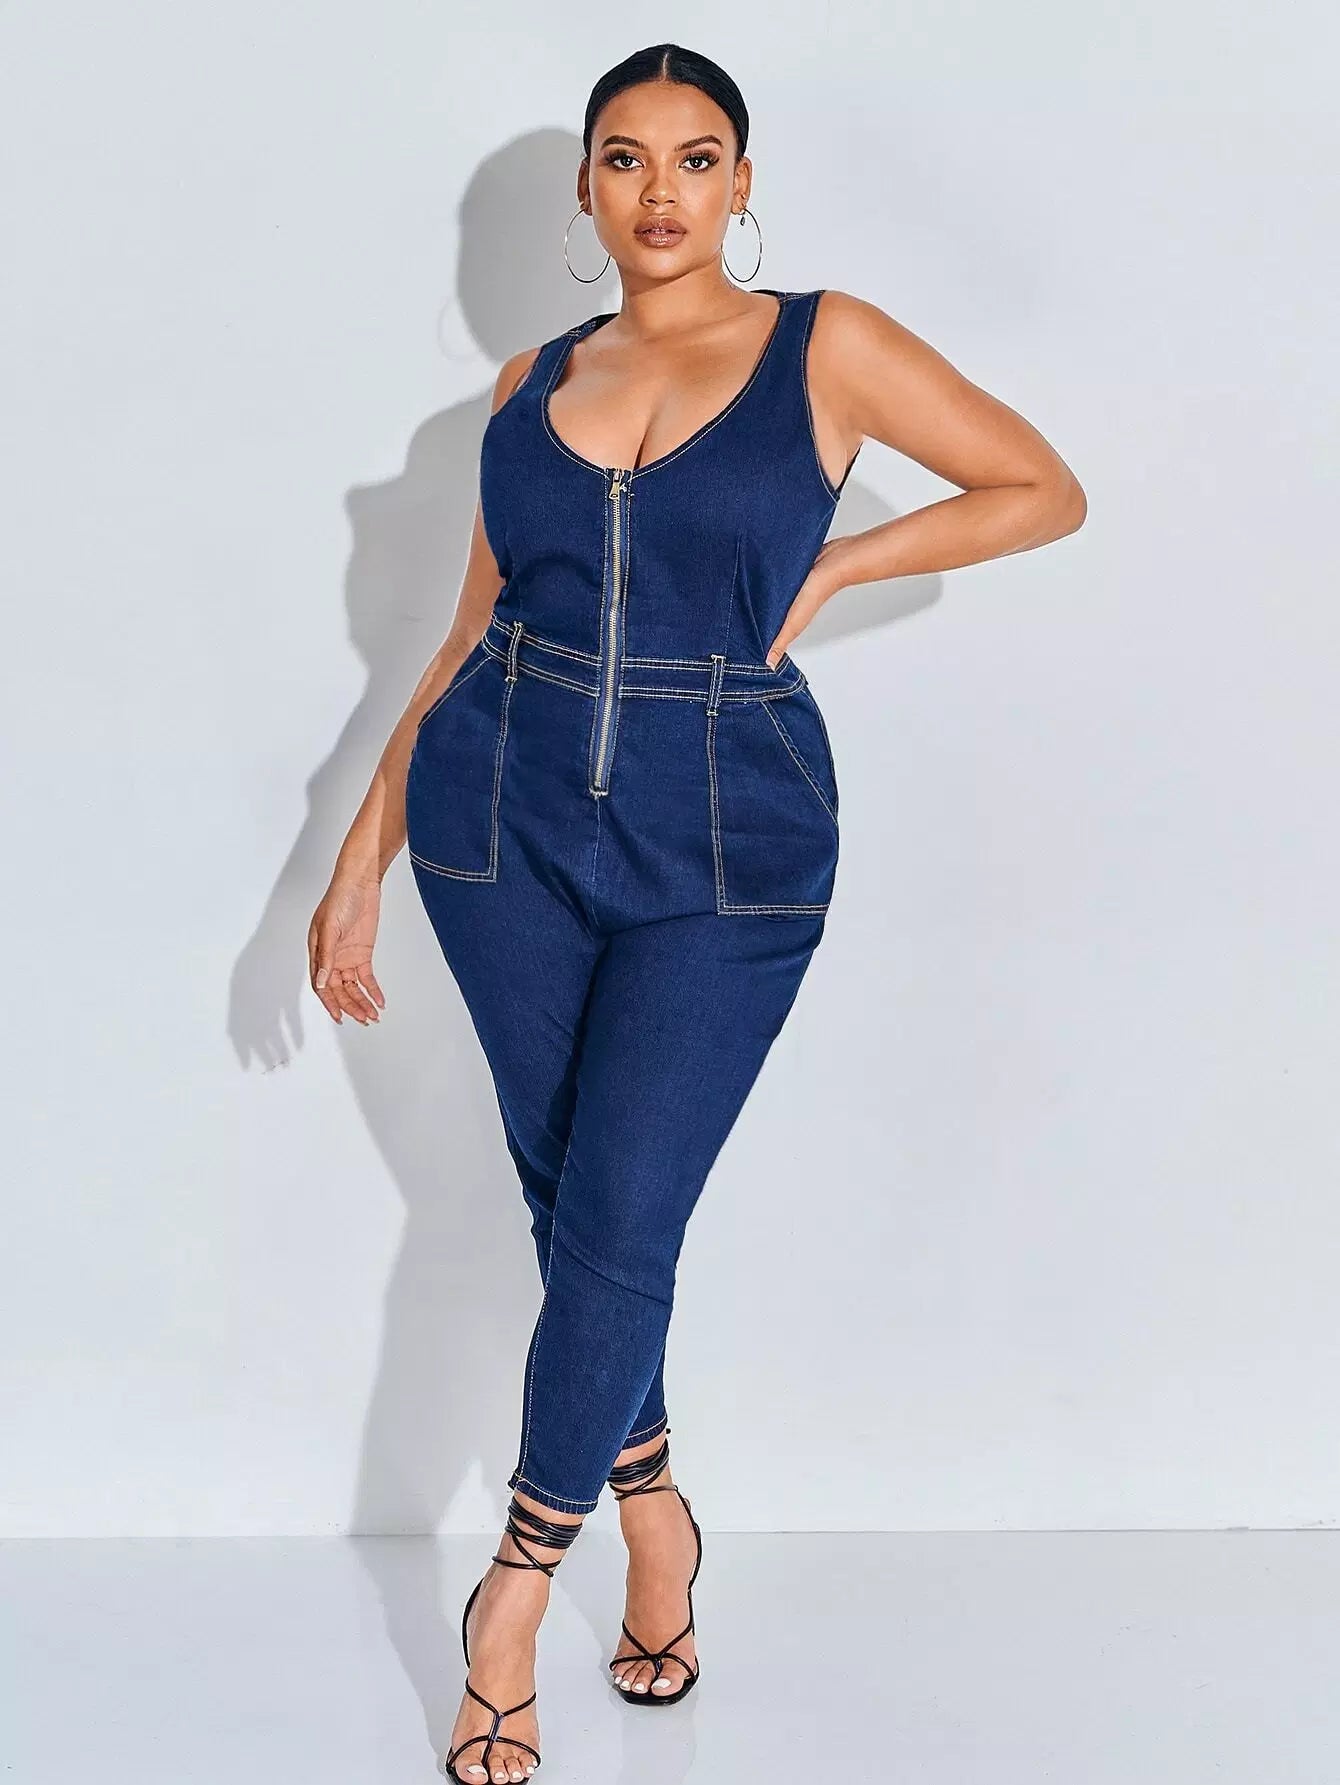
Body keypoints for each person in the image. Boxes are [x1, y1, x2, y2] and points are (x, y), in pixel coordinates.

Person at [307, 40, 1086, 1785]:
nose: (661, 189)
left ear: (742, 182)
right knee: (575, 1207)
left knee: (621, 1213)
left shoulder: (828, 344)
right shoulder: (527, 383)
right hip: (495, 823)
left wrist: (838, 562)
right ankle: (654, 1508)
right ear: (587, 191)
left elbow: (1042, 485)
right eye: (625, 157)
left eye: (697, 155)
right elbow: (465, 635)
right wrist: (359, 857)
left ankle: (514, 1591)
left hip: (731, 840)